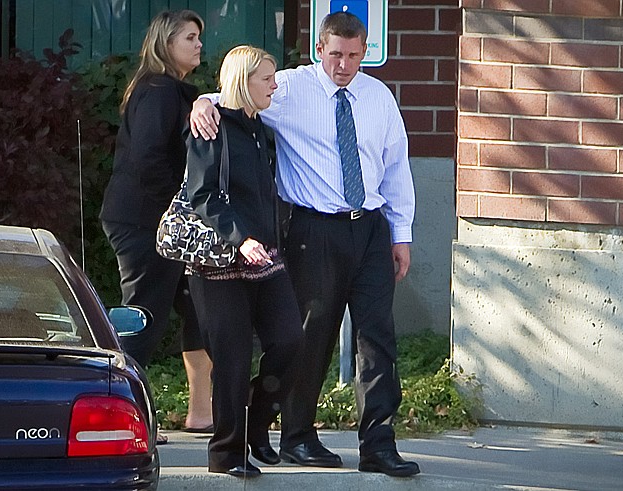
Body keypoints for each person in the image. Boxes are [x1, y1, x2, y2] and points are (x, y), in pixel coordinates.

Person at [190, 11, 419, 477]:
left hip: (370, 227)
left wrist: (401, 234)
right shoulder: (290, 88)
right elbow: (235, 95)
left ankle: (378, 444)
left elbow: (396, 167)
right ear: (320, 49)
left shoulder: (378, 97)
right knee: (311, 335)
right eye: (336, 54)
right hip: (315, 230)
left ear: (365, 52)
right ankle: (297, 435)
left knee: (378, 337)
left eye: (354, 56)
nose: (344, 64)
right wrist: (201, 101)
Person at [185, 45, 304, 478]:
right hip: (219, 263)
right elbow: (201, 194)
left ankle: (256, 424)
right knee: (232, 361)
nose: (275, 86)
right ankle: (227, 454)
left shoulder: (261, 128)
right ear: (243, 81)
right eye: (267, 79)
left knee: (290, 341)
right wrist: (240, 238)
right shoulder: (211, 126)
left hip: (265, 259)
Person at [99, 9, 213, 437]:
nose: (199, 44)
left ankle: (201, 412)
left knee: (198, 308)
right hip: (145, 220)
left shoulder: (173, 90)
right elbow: (149, 158)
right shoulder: (159, 90)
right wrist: (177, 211)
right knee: (143, 314)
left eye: (199, 36)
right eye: (190, 37)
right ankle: (123, 414)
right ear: (167, 44)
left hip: (163, 221)